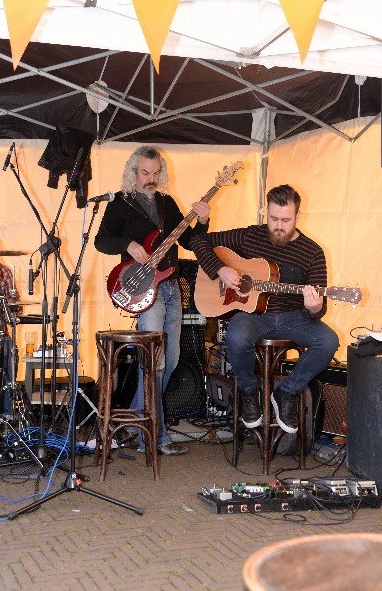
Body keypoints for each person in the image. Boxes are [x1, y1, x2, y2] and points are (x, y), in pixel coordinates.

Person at [190, 184, 339, 434]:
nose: (278, 225)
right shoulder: (251, 236)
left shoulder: (313, 252)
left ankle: (287, 393)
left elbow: (317, 311)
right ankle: (249, 392)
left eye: (285, 220)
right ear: (265, 213)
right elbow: (198, 240)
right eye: (273, 218)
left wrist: (314, 308)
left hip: (294, 317)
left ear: (297, 217)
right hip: (254, 316)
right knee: (236, 336)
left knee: (328, 341)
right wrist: (220, 269)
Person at [94, 146, 210, 455]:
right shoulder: (120, 203)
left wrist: (203, 221)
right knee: (155, 363)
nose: (151, 178)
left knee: (168, 362)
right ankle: (155, 437)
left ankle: (134, 423)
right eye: (145, 173)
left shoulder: (167, 203)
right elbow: (100, 241)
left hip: (172, 287)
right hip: (147, 291)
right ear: (133, 172)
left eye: (156, 173)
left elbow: (188, 241)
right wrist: (128, 244)